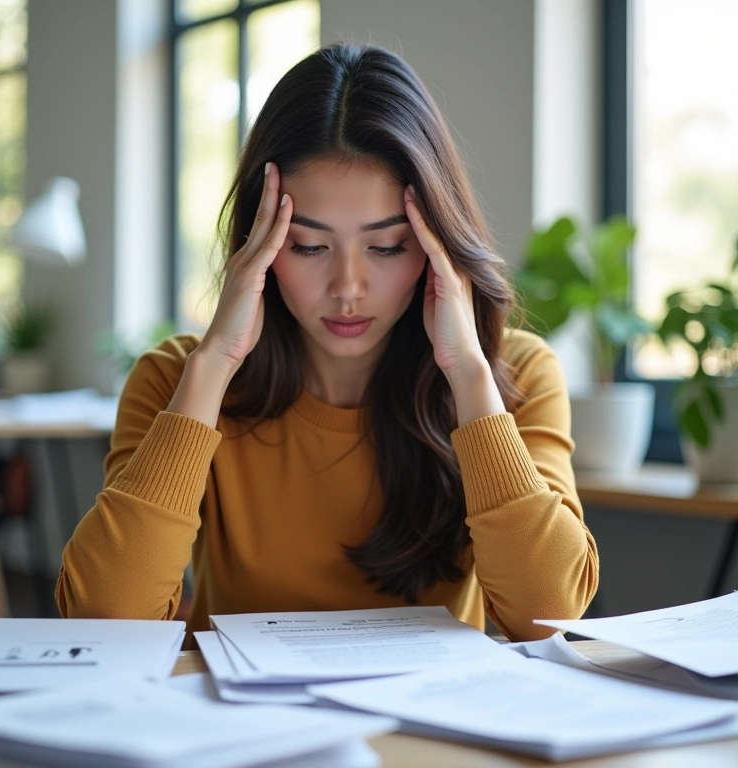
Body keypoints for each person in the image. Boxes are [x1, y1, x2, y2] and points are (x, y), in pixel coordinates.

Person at [57, 44, 598, 642]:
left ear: (437, 247)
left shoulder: (511, 374)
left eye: (387, 246)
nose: (347, 288)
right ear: (257, 247)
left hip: (429, 727)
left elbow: (549, 615)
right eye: (309, 247)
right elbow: (104, 620)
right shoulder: (176, 380)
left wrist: (468, 376)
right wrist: (212, 368)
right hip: (239, 728)